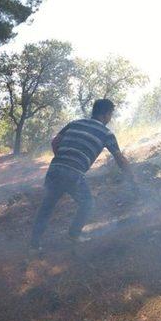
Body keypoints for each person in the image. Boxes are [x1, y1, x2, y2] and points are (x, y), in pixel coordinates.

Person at [30, 99, 136, 251]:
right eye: (111, 114)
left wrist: (62, 159)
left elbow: (55, 142)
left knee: (47, 206)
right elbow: (119, 159)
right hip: (73, 173)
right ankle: (74, 235)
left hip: (54, 169)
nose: (110, 117)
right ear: (106, 114)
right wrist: (131, 177)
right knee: (87, 204)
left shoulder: (75, 123)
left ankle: (34, 246)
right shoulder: (106, 133)